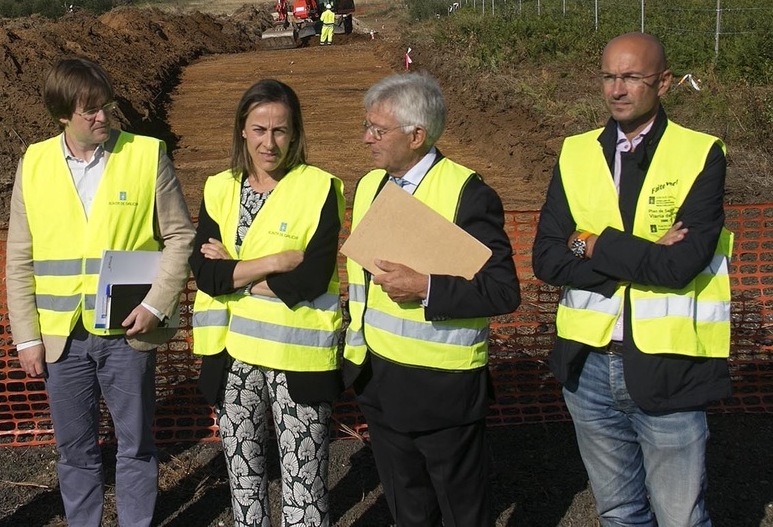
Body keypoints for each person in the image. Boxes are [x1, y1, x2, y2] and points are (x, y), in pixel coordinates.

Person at [533, 32, 731, 527]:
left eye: (631, 78)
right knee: (619, 513)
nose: (617, 89)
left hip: (668, 368)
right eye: (608, 76)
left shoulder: (701, 153)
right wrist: (625, 249)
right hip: (588, 367)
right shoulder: (576, 152)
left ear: (663, 82)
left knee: (680, 517)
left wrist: (594, 241)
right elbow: (548, 257)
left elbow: (678, 266)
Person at [5, 57, 194, 527]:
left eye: (105, 107)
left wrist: (156, 303)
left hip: (128, 333)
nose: (102, 117)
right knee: (75, 451)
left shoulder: (147, 155)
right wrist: (27, 339)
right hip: (61, 339)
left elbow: (179, 237)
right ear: (62, 114)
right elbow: (19, 259)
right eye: (89, 110)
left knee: (136, 446)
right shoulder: (34, 164)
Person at [343, 71, 519, 527]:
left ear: (417, 135)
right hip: (380, 381)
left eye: (378, 130)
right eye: (367, 126)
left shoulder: (468, 193)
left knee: (463, 513)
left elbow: (503, 289)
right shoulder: (368, 186)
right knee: (410, 512)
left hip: (444, 391)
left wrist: (426, 287)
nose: (366, 139)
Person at [190, 78, 344, 526]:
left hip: (297, 362)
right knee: (244, 489)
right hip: (232, 359)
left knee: (305, 490)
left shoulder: (318, 188)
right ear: (242, 129)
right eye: (259, 129)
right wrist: (274, 260)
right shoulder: (219, 188)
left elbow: (310, 278)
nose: (269, 142)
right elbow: (206, 274)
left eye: (280, 130)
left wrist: (235, 270)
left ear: (295, 132)